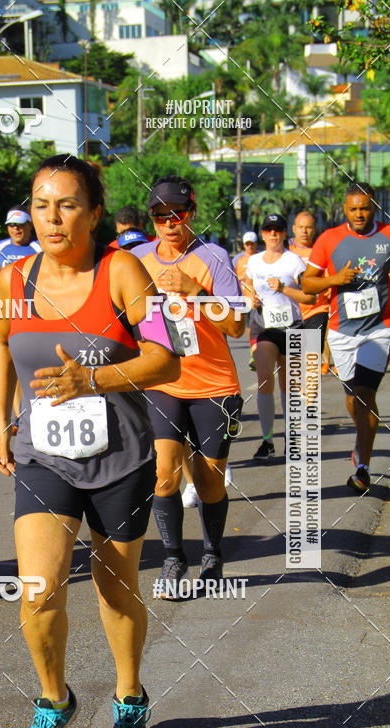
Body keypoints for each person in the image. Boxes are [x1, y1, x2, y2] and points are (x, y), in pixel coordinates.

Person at [0, 155, 179, 728]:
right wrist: (0, 417)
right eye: (42, 205)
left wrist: (92, 379)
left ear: (94, 213)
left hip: (120, 458)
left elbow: (166, 359)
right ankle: (54, 700)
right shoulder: (13, 281)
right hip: (44, 458)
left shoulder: (121, 271)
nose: (53, 217)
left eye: (68, 204)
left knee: (114, 591)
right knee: (38, 590)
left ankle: (129, 695)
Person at [131, 176, 245, 593]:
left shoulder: (213, 258)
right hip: (163, 382)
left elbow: (236, 324)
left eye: (177, 214)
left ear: (192, 213)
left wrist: (196, 291)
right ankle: (174, 557)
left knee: (208, 478)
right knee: (163, 474)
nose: (169, 223)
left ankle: (212, 553)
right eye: (160, 216)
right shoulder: (138, 258)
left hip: (213, 384)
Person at [301, 182, 390, 493]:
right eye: (353, 208)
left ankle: (363, 468)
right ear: (345, 209)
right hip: (342, 332)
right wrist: (334, 279)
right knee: (354, 399)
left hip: (380, 328)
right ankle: (361, 440)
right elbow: (308, 284)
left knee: (366, 394)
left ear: (374, 207)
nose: (359, 214)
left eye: (364, 208)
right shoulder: (329, 239)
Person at [244, 213, 316, 462]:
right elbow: (247, 286)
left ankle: (293, 439)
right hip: (265, 327)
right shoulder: (253, 262)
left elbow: (310, 297)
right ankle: (267, 441)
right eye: (268, 230)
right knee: (265, 378)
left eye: (277, 230)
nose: (272, 234)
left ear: (285, 234)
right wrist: (250, 298)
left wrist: (284, 289)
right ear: (262, 234)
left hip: (293, 326)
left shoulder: (293, 262)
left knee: (291, 387)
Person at [289, 210, 331, 373]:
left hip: (317, 309)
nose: (304, 231)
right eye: (301, 227)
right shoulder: (287, 251)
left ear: (315, 229)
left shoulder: (322, 250)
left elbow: (331, 276)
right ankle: (297, 397)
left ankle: (311, 398)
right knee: (294, 364)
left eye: (308, 227)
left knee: (311, 358)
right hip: (293, 312)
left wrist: (329, 287)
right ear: (294, 228)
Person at [233, 231, 259, 371]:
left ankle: (255, 353)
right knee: (248, 328)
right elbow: (231, 277)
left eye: (252, 244)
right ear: (244, 245)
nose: (250, 246)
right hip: (243, 298)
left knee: (255, 326)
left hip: (256, 298)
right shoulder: (238, 259)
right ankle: (253, 349)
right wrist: (240, 276)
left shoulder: (261, 258)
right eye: (247, 244)